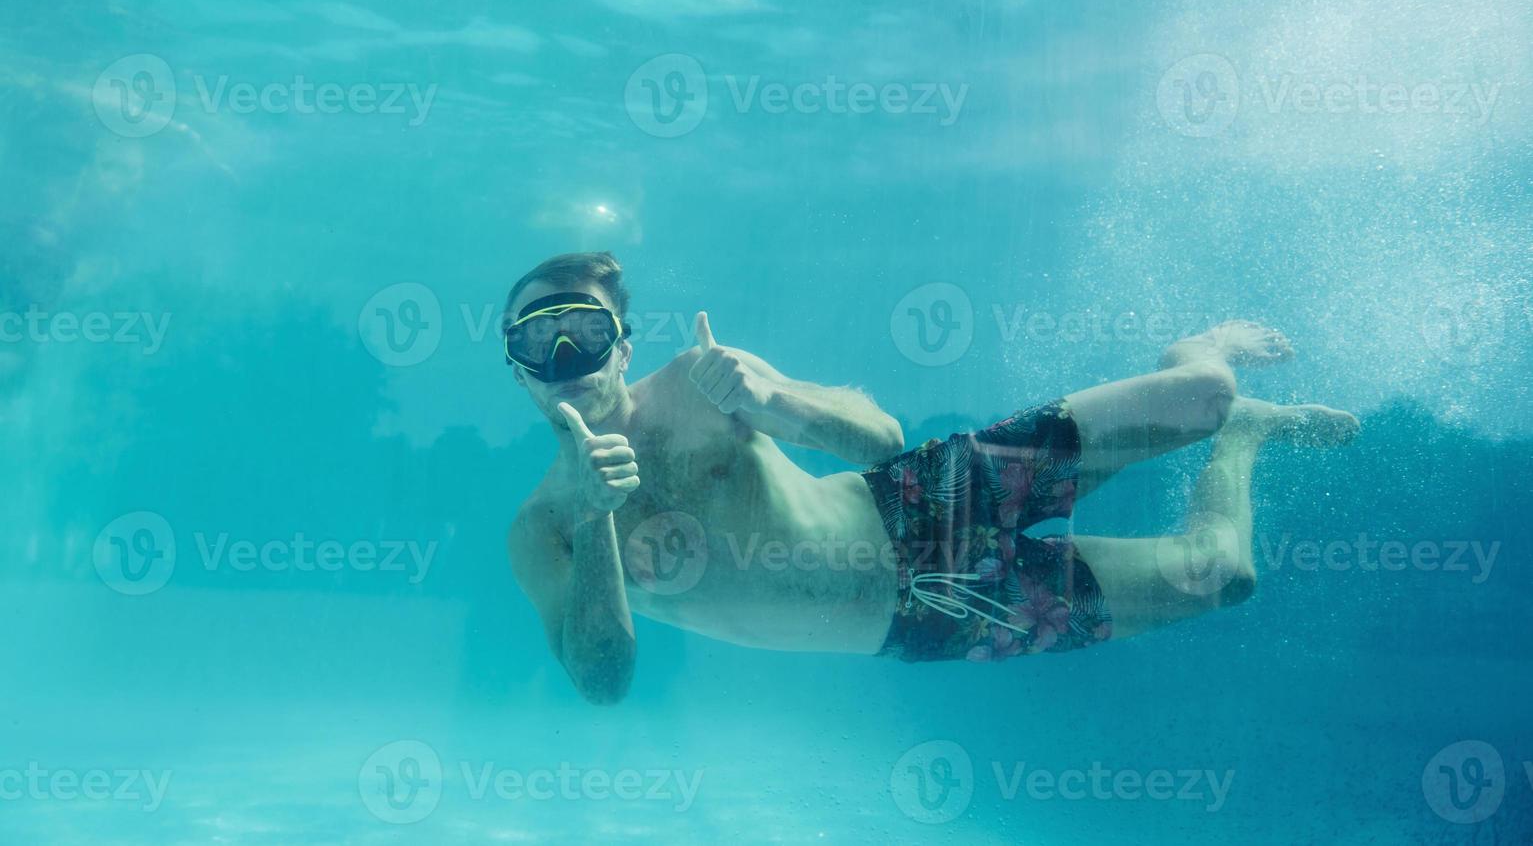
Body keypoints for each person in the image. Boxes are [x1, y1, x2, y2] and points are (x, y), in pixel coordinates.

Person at [505, 252, 1359, 704]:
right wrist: (591, 520)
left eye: (580, 328)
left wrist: (776, 400)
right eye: (538, 340)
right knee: (1221, 576)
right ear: (518, 369)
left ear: (622, 341)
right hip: (928, 618)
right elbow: (604, 683)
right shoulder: (542, 528)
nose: (565, 355)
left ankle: (1204, 351)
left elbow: (880, 439)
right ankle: (1245, 442)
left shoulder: (702, 378)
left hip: (921, 500)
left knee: (1201, 395)